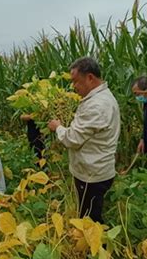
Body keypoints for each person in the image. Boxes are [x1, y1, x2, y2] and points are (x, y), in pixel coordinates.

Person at [48, 57, 120, 224]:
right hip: (95, 169)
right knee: (90, 213)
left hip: (92, 174)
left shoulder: (97, 105)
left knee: (90, 220)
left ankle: (94, 248)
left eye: (76, 81)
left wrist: (57, 127)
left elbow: (73, 139)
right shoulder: (100, 99)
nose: (73, 87)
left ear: (90, 78)